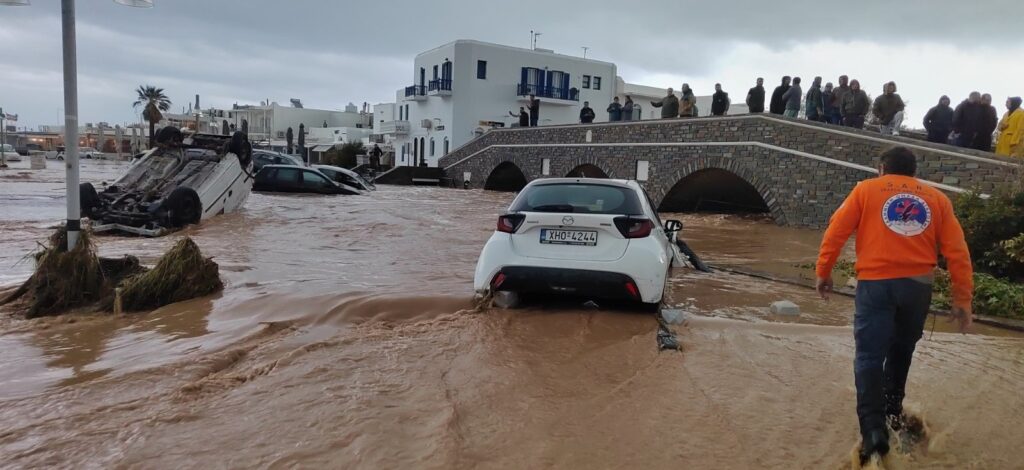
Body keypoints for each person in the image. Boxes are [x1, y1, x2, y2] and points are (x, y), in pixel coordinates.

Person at [815, 146, 973, 465]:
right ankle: (893, 414)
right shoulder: (937, 199)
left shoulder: (866, 190)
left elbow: (836, 231)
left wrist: (824, 272)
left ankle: (874, 431)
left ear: (881, 169)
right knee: (901, 351)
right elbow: (958, 252)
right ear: (914, 173)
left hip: (875, 283)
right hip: (918, 288)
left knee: (869, 356)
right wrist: (962, 299)